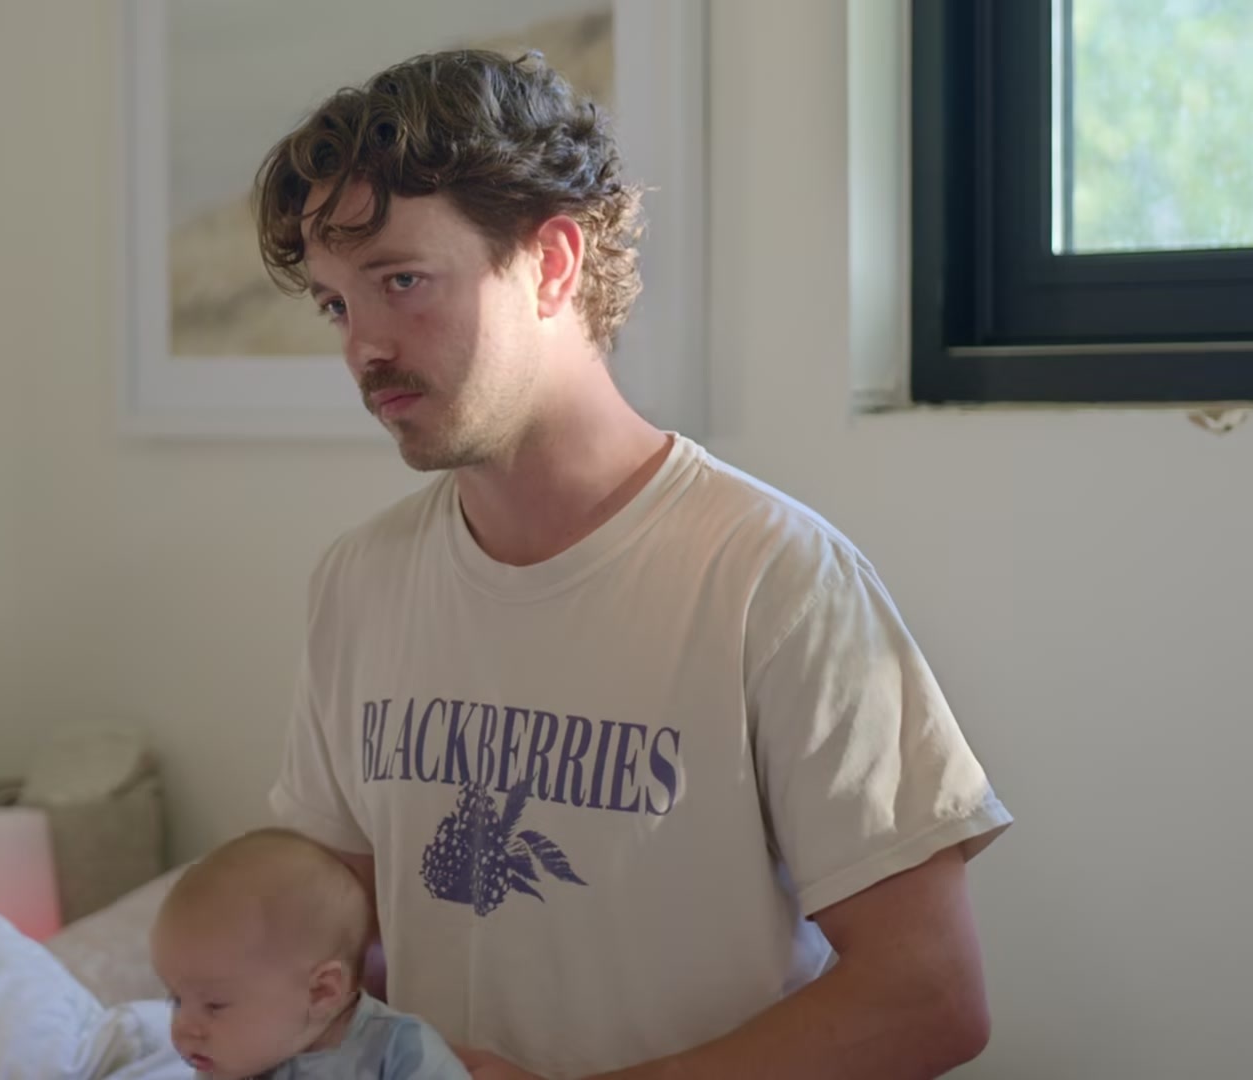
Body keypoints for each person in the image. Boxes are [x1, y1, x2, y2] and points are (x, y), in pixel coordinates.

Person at [254, 49, 1013, 1080]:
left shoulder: (778, 582)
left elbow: (929, 995)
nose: (364, 349)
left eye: (401, 282)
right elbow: (337, 944)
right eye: (338, 305)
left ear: (553, 264)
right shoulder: (359, 583)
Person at [151, 828, 469, 1080]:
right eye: (176, 1000)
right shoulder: (230, 1062)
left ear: (321, 991)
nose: (183, 1028)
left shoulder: (402, 1053)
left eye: (214, 1005)